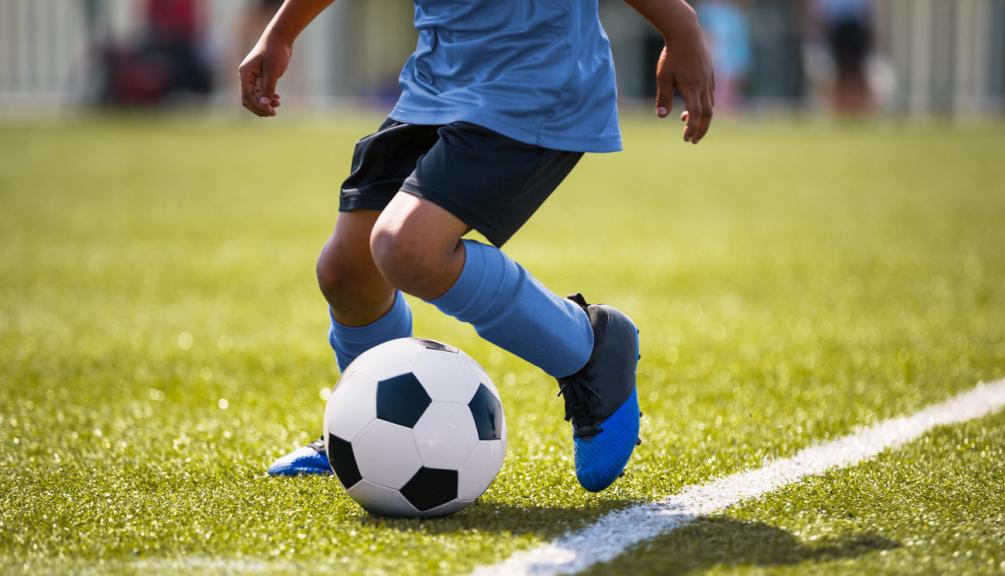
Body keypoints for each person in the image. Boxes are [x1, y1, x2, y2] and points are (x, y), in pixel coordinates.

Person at [239, 0, 714, 493]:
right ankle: (367, 429)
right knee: (346, 272)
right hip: (437, 83)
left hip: (536, 83)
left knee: (407, 249)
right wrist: (281, 34)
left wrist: (680, 27)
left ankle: (588, 347)